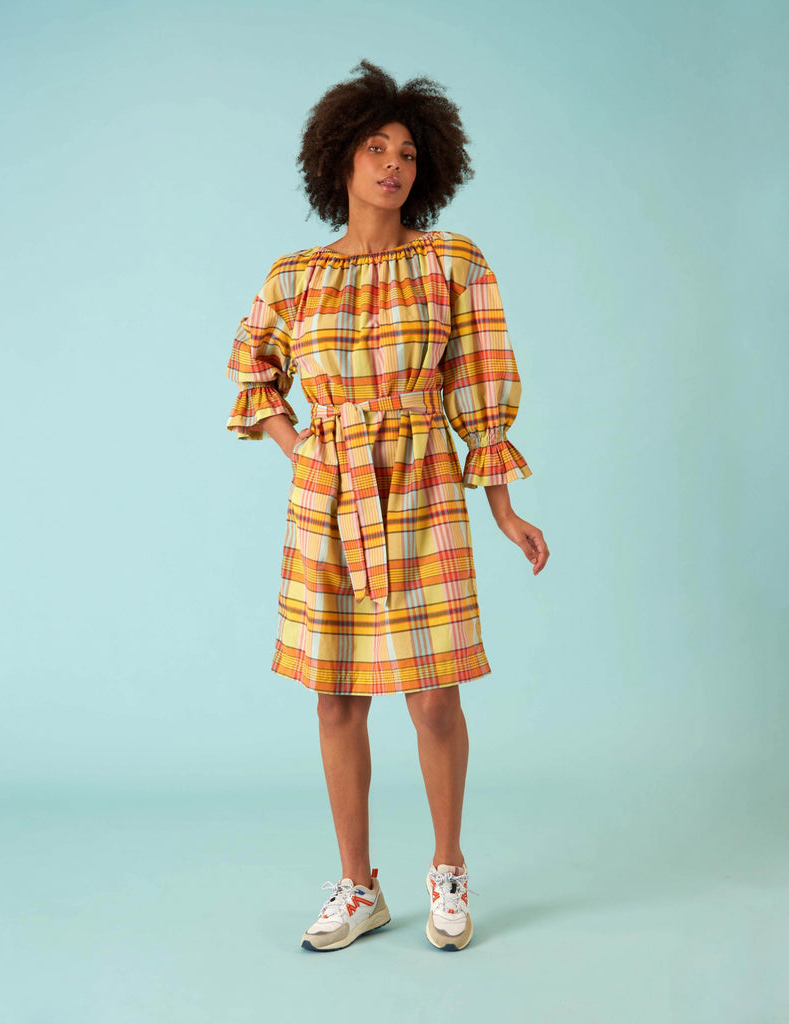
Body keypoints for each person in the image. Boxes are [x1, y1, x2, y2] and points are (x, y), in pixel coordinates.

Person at [225, 59, 549, 953]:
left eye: (407, 153)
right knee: (335, 699)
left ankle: (447, 869)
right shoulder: (293, 276)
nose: (392, 165)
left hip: (423, 486)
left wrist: (503, 508)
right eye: (376, 148)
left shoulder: (452, 263)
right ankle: (357, 885)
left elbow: (479, 383)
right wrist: (303, 450)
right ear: (339, 158)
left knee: (433, 696)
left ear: (426, 167)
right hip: (327, 499)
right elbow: (252, 373)